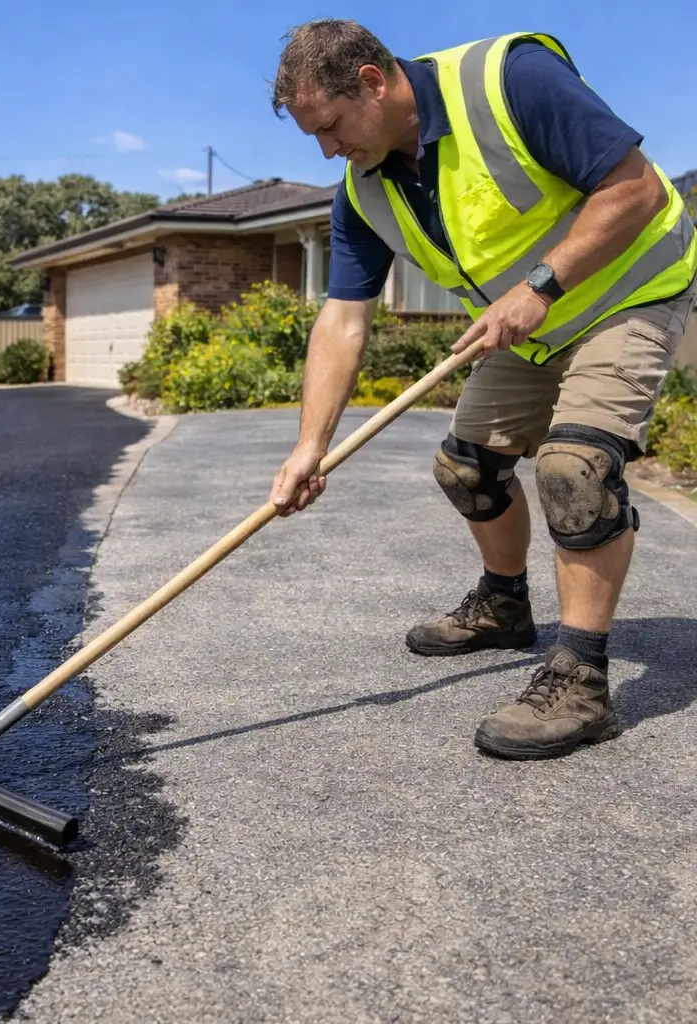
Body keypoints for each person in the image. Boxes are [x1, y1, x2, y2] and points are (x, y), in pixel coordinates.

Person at [268, 21, 697, 760]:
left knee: (574, 472)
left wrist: (540, 285)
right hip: (530, 325)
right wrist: (312, 446)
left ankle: (581, 677)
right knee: (467, 469)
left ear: (373, 81)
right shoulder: (363, 193)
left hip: (630, 291)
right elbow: (341, 318)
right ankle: (504, 606)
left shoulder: (510, 82)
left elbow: (636, 188)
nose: (329, 150)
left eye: (332, 127)